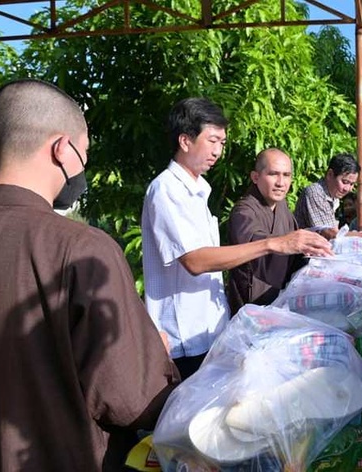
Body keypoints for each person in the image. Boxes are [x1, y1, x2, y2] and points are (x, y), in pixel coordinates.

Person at [0, 79, 180, 471]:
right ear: (61, 149)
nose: (82, 167)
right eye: (83, 153)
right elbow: (132, 400)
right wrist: (153, 354)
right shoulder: (81, 249)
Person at [142, 98, 331, 379]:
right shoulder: (167, 190)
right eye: (212, 141)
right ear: (185, 141)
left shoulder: (198, 189)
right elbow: (195, 260)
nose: (218, 151)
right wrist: (274, 243)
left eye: (222, 143)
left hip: (209, 326)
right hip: (184, 334)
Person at [227, 148, 311, 313]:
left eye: (286, 175)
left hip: (278, 303)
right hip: (250, 309)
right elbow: (255, 243)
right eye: (273, 174)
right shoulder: (243, 211)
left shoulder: (282, 207)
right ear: (255, 177)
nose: (281, 182)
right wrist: (282, 244)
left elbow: (295, 256)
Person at [294, 153, 362, 255]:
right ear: (330, 174)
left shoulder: (333, 198)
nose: (347, 189)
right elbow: (331, 234)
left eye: (352, 184)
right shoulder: (315, 192)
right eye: (344, 182)